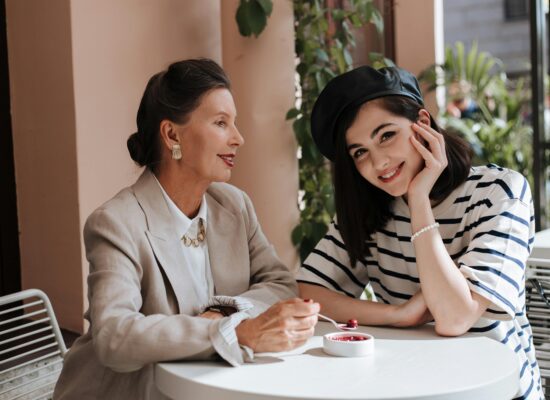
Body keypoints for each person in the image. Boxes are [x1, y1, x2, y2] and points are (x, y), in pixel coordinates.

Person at [54, 58, 319, 400]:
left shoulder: (234, 205)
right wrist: (235, 334)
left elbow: (281, 285)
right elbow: (115, 337)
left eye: (234, 123)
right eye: (221, 123)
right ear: (171, 133)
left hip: (209, 385)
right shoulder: (116, 222)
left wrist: (225, 311)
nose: (238, 138)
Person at [297, 65, 542, 400]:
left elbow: (455, 317)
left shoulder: (500, 192)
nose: (379, 162)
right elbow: (310, 296)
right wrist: (398, 315)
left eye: (386, 135)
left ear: (423, 125)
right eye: (360, 153)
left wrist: (418, 200)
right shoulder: (370, 209)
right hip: (410, 389)